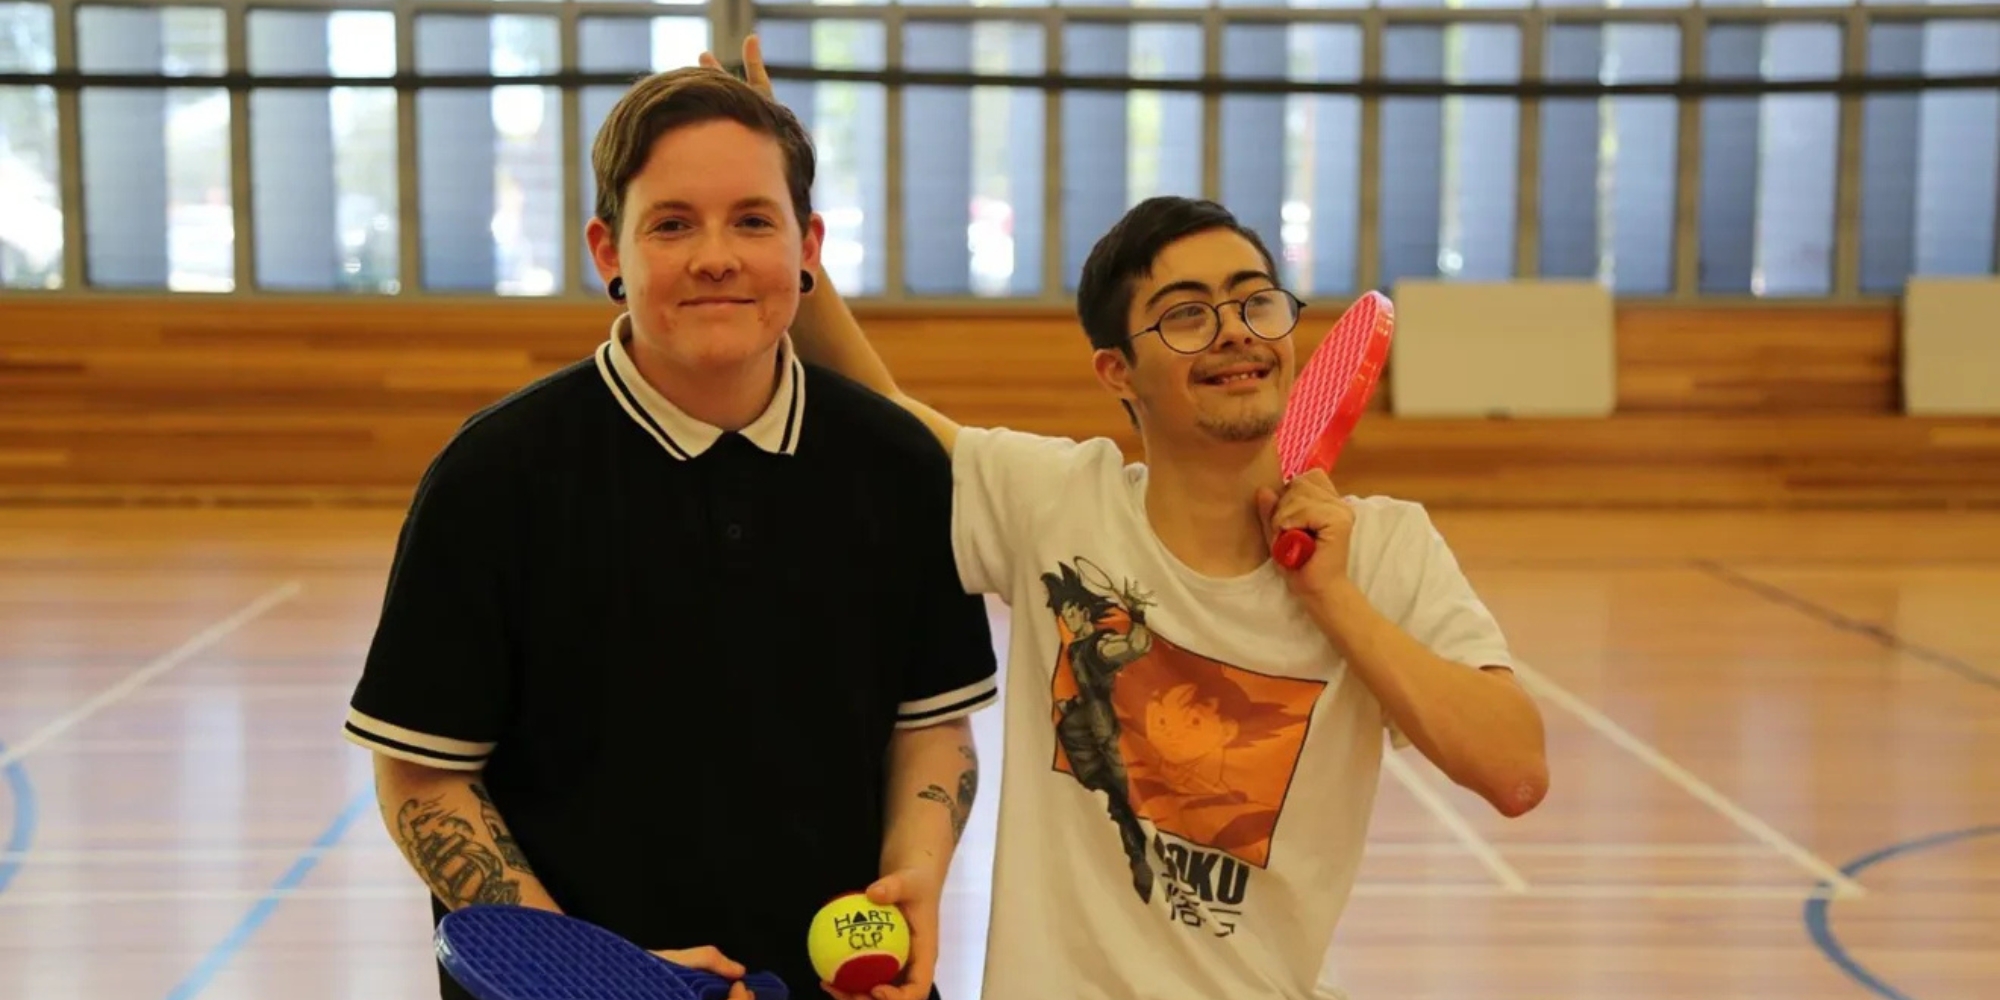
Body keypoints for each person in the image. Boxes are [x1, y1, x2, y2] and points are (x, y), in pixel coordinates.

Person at [705, 37, 1550, 1000]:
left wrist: (1334, 599)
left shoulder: (1385, 547)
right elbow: (882, 409)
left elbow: (1515, 771)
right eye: (1186, 315)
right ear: (1118, 372)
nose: (1233, 332)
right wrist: (780, 189)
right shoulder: (1058, 501)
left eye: (1255, 302)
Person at [339, 64, 997, 1000]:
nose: (716, 257)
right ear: (608, 249)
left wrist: (916, 876)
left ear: (808, 246)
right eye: (674, 224)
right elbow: (421, 776)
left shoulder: (897, 462)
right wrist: (585, 978)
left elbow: (932, 728)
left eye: (753, 221)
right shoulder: (494, 476)